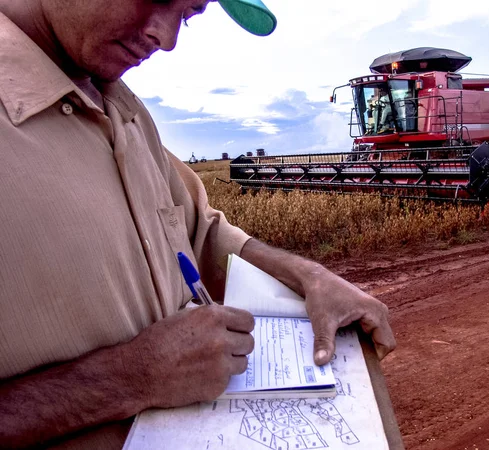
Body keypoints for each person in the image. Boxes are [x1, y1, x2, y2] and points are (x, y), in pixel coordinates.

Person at [0, 0, 396, 448]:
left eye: (188, 14)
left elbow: (198, 232)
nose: (166, 39)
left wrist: (310, 276)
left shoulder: (124, 109)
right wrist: (125, 379)